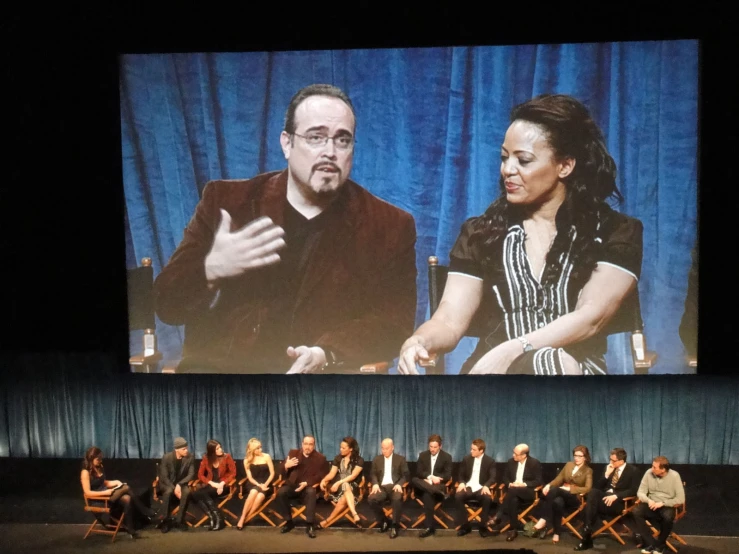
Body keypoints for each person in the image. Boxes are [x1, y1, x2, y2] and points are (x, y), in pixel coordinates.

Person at [153, 83, 417, 374]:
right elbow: (168, 305)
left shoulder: (389, 226)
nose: (330, 151)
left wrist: (326, 353)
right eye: (316, 137)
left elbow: (393, 324)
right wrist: (211, 269)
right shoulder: (226, 202)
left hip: (319, 390)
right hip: (224, 379)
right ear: (287, 143)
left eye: (343, 140)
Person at [398, 93, 643, 375]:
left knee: (552, 362)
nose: (507, 170)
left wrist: (515, 348)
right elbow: (450, 320)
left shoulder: (615, 231)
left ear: (565, 165)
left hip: (574, 377)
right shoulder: (481, 232)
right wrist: (419, 340)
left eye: (523, 160)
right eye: (504, 158)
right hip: (491, 378)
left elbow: (591, 317)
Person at [80, 446, 156, 539]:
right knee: (127, 488)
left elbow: (102, 482)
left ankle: (131, 530)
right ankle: (145, 511)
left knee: (127, 499)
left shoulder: (100, 467)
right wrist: (106, 493)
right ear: (91, 459)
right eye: (98, 459)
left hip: (107, 495)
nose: (100, 461)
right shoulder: (85, 472)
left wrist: (115, 482)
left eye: (101, 458)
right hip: (98, 500)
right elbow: (88, 493)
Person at [575, 447, 640, 551]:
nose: (611, 462)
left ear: (621, 461)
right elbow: (598, 487)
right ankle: (587, 533)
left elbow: (634, 490)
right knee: (593, 492)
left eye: (613, 460)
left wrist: (616, 496)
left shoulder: (633, 471)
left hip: (619, 502)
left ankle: (586, 536)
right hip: (604, 500)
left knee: (588, 507)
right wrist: (606, 475)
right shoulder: (608, 468)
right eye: (610, 459)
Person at [530, 444, 593, 544]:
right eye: (575, 456)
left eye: (579, 456)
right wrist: (548, 485)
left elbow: (588, 488)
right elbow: (559, 479)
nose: (576, 458)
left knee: (555, 490)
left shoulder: (588, 471)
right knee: (557, 502)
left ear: (585, 457)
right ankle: (556, 533)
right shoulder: (569, 465)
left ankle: (544, 519)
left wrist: (570, 489)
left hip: (574, 498)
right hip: (561, 495)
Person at [275, 435, 327, 538]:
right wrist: (286, 466)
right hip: (292, 486)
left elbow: (321, 476)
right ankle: (289, 521)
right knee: (281, 492)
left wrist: (306, 483)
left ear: (314, 445)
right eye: (306, 444)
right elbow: (280, 471)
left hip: (307, 487)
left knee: (311, 492)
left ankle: (309, 524)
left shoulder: (320, 458)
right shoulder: (293, 453)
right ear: (302, 444)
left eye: (310, 444)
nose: (308, 447)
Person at [632, 456, 685, 554]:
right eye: (652, 466)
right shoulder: (648, 473)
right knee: (636, 511)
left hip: (667, 505)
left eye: (654, 467)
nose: (652, 469)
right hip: (652, 504)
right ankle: (651, 543)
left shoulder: (674, 476)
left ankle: (659, 544)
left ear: (663, 469)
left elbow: (680, 499)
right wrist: (648, 501)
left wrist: (663, 503)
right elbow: (640, 492)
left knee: (668, 516)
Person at [490, 443, 543, 541]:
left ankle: (499, 515)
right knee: (513, 500)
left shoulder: (534, 463)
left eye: (516, 454)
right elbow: (505, 478)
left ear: (524, 455)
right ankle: (513, 530)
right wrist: (510, 484)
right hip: (513, 493)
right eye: (513, 452)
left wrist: (524, 484)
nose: (513, 455)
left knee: (513, 491)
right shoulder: (511, 462)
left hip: (528, 492)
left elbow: (538, 481)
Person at [411, 434, 453, 537]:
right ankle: (439, 492)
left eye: (435, 447)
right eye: (431, 447)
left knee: (427, 495)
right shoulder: (423, 455)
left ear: (440, 446)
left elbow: (447, 476)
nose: (432, 449)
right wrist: (430, 477)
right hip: (425, 484)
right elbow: (419, 472)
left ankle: (429, 527)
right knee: (414, 480)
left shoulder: (447, 457)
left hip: (438, 485)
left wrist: (436, 479)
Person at [453, 438, 497, 538]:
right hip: (468, 487)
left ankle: (483, 526)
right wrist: (462, 483)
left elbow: (493, 477)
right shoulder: (466, 459)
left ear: (481, 451)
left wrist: (486, 485)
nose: (471, 451)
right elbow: (460, 475)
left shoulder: (490, 461)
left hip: (481, 487)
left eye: (474, 449)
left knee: (487, 498)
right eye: (471, 449)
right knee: (458, 496)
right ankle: (465, 525)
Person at [318, 436, 364, 528]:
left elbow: (353, 476)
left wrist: (339, 482)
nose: (341, 449)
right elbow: (332, 474)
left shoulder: (359, 460)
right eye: (340, 447)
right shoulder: (338, 459)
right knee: (345, 486)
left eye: (343, 448)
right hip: (338, 489)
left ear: (351, 449)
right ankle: (355, 514)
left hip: (353, 487)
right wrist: (324, 480)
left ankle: (327, 521)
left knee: (345, 487)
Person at [368, 438, 410, 539]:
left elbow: (406, 475)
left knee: (397, 498)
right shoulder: (377, 459)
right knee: (371, 498)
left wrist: (399, 484)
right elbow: (372, 474)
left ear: (392, 448)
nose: (384, 451)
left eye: (386, 448)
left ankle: (394, 526)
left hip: (394, 486)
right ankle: (384, 521)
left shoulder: (400, 459)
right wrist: (375, 484)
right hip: (382, 487)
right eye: (382, 448)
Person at [191, 439, 236, 531]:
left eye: (220, 447)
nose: (221, 449)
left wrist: (222, 484)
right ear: (212, 451)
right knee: (194, 494)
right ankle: (212, 517)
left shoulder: (227, 457)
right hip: (212, 485)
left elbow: (233, 473)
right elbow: (200, 475)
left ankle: (218, 519)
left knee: (202, 493)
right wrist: (211, 483)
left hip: (224, 485)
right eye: (217, 449)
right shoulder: (206, 458)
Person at [157, 437, 197, 532]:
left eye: (187, 448)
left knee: (186, 492)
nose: (186, 450)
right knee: (168, 492)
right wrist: (174, 487)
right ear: (176, 449)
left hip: (181, 484)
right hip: (168, 484)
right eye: (183, 449)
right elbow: (164, 477)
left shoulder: (190, 457)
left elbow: (191, 474)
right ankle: (165, 521)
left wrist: (179, 484)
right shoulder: (167, 457)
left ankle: (179, 520)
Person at [236, 438, 275, 530]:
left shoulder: (266, 456)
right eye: (257, 448)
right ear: (252, 450)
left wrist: (265, 484)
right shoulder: (246, 460)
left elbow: (272, 473)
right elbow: (249, 477)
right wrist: (258, 484)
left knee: (260, 496)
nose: (260, 450)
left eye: (260, 447)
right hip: (253, 483)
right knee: (253, 492)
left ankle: (246, 518)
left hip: (266, 482)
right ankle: (243, 517)